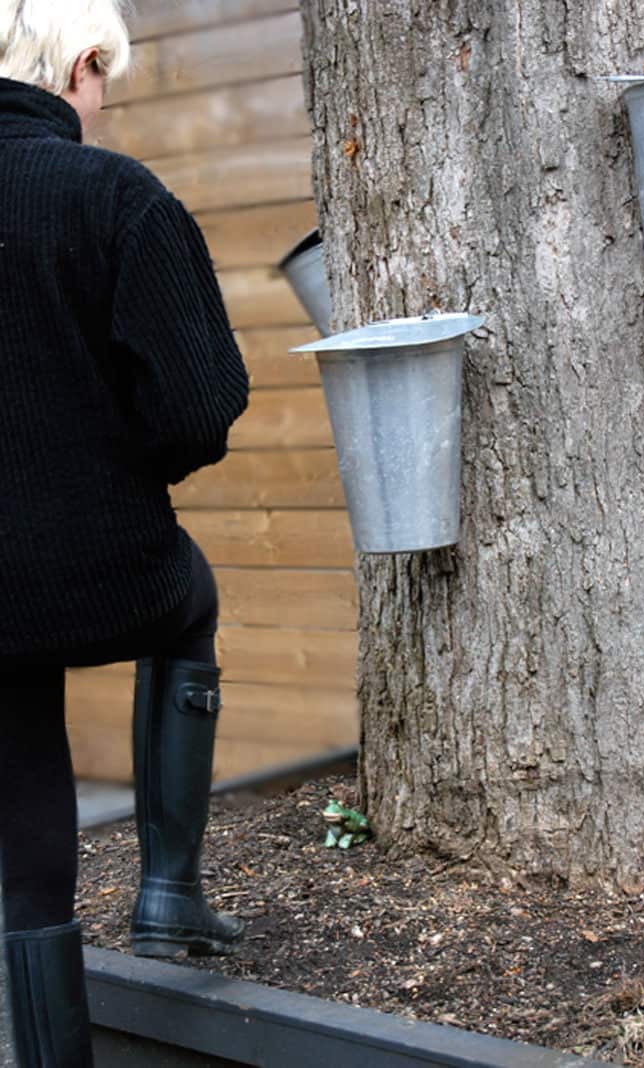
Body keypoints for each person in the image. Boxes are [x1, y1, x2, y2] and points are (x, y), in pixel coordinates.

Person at [0, 1, 251, 1063]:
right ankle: (166, 891)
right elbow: (200, 406)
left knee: (22, 776)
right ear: (83, 63)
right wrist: (116, 476)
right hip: (106, 567)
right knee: (187, 595)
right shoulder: (115, 195)